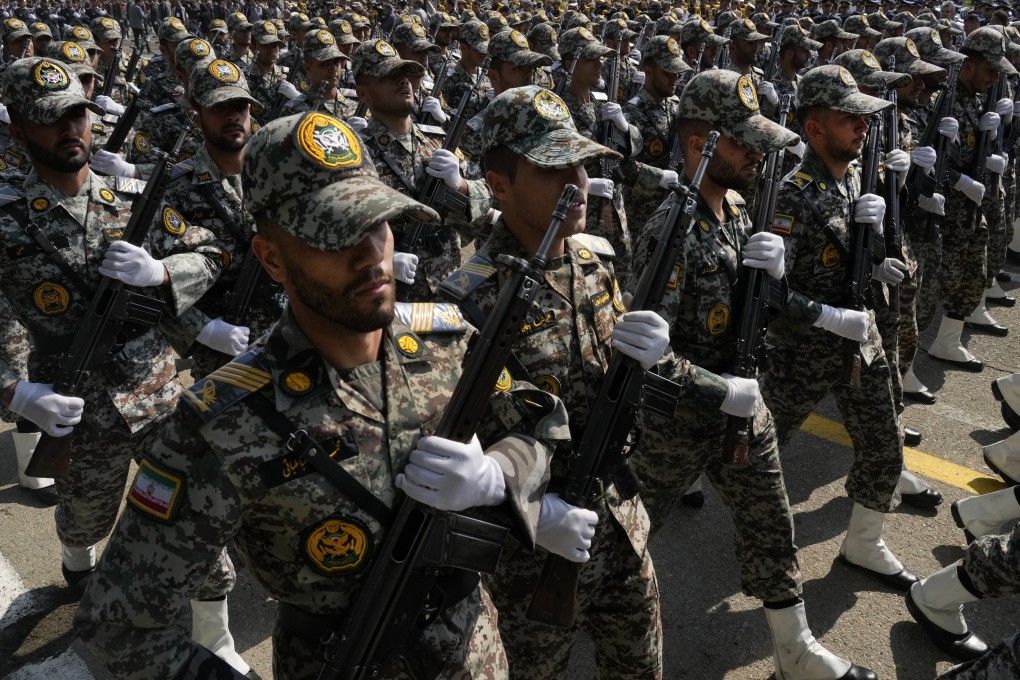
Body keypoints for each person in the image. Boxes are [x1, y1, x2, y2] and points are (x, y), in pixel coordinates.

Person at [74, 108, 573, 680]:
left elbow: (542, 419)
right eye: (335, 235)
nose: (370, 255)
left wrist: (501, 474)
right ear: (272, 259)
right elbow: (119, 627)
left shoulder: (445, 341)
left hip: (478, 658)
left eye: (380, 224)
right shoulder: (221, 423)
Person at [630, 69, 877, 680]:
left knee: (771, 521)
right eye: (743, 144)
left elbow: (761, 307)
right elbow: (645, 361)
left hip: (746, 403)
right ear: (700, 144)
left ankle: (794, 647)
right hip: (678, 426)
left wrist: (783, 286)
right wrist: (722, 392)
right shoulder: (670, 232)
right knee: (620, 541)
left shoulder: (741, 208)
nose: (757, 155)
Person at [441, 84, 665, 680]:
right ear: (498, 183)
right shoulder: (470, 299)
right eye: (553, 168)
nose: (578, 181)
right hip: (531, 553)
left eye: (582, 164)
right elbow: (466, 446)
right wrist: (539, 513)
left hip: (620, 521)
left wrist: (658, 358)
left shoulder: (595, 260)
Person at [0, 56, 223, 595]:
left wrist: (164, 271)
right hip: (73, 401)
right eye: (51, 118)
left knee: (194, 516)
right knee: (84, 519)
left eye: (77, 115)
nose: (69, 129)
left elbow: (210, 253)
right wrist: (14, 390)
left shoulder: (130, 200)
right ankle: (77, 565)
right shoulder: (6, 219)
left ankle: (212, 627)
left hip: (157, 390)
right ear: (18, 127)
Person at [761, 65, 918, 592]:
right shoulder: (790, 196)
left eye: (863, 118)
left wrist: (876, 260)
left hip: (861, 341)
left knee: (885, 442)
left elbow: (850, 259)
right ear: (814, 129)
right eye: (848, 119)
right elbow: (771, 293)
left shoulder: (857, 176)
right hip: (800, 350)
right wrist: (827, 316)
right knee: (753, 452)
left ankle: (864, 541)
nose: (862, 127)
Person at [351, 38, 493, 302]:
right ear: (362, 93)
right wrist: (384, 259)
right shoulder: (356, 153)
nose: (403, 81)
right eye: (389, 76)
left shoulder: (438, 141)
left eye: (404, 73)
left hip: (448, 284)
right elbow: (338, 229)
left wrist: (460, 185)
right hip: (391, 293)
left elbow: (486, 200)